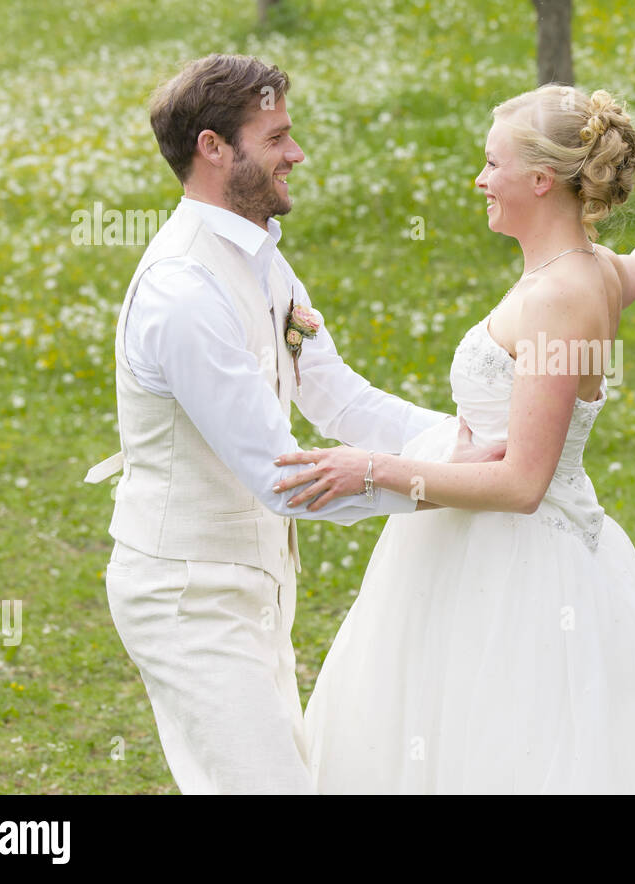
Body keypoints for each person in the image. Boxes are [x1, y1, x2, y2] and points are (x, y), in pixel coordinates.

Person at [274, 84, 635, 793]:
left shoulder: (558, 301)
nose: (480, 180)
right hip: (483, 543)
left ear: (540, 179)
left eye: (492, 165)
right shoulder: (595, 272)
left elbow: (524, 484)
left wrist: (372, 469)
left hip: (515, 563)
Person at [85, 54, 499, 794]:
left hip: (256, 585)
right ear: (214, 148)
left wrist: (459, 440)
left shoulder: (263, 261)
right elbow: (286, 481)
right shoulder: (183, 291)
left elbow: (336, 395)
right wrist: (451, 484)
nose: (297, 154)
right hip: (187, 594)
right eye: (277, 137)